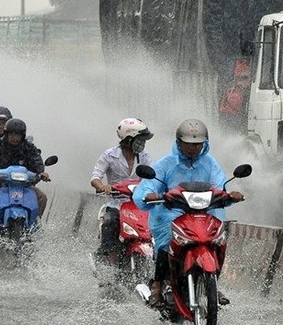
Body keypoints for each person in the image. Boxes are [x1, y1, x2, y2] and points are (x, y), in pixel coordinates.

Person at [133, 118, 245, 308]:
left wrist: (229, 195)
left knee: (218, 242)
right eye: (188, 144)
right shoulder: (167, 164)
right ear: (178, 142)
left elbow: (219, 185)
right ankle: (158, 285)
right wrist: (149, 195)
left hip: (204, 215)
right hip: (172, 215)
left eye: (197, 144)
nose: (193, 148)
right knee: (166, 243)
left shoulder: (210, 163)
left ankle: (213, 283)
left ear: (205, 144)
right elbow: (148, 186)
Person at [91, 118, 153, 265]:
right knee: (110, 222)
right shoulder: (109, 155)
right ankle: (108, 258)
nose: (142, 143)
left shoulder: (144, 156)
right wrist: (102, 186)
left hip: (139, 205)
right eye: (140, 140)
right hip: (116, 205)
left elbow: (153, 175)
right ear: (129, 139)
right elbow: (95, 177)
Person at [0, 118, 50, 222]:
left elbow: (36, 159)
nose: (15, 138)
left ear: (22, 136)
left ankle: (34, 225)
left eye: (17, 135)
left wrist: (41, 172)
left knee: (42, 197)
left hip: (25, 186)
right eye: (12, 134)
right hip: (2, 185)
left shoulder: (29, 147)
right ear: (6, 134)